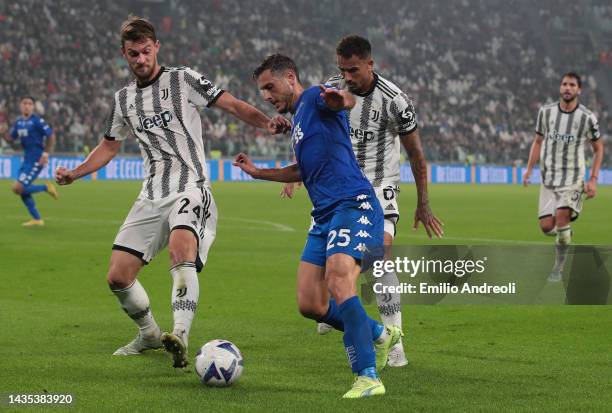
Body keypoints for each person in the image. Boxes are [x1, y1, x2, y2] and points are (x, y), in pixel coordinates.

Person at [55, 16, 288, 368]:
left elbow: (233, 104)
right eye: (133, 54)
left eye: (146, 51)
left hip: (190, 187)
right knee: (118, 276)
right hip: (151, 194)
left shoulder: (183, 79)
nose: (141, 59)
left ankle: (179, 334)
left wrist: (266, 122)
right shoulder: (123, 100)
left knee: (181, 247)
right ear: (124, 54)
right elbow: (109, 146)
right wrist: (75, 172)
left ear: (156, 48)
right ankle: (149, 334)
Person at [234, 53, 402, 398]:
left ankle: (368, 376)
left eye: (270, 86)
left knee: (339, 281)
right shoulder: (299, 123)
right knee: (311, 304)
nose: (266, 96)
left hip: (352, 205)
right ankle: (381, 334)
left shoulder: (313, 97)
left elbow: (342, 100)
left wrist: (342, 99)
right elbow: (301, 171)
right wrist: (259, 172)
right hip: (325, 215)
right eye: (262, 90)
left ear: (290, 77)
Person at [281, 35, 443, 366]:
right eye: (342, 70)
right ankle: (335, 311)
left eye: (353, 70)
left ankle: (394, 339)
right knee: (327, 271)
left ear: (370, 64)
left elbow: (416, 154)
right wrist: (298, 176)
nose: (348, 77)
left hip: (379, 184)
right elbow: (308, 132)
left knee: (377, 256)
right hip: (336, 188)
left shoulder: (395, 100)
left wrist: (423, 203)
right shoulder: (330, 91)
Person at [523, 72, 604, 281]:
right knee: (546, 227)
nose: (567, 88)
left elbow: (598, 148)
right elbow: (538, 141)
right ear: (560, 88)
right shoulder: (546, 112)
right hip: (549, 178)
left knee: (560, 219)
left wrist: (593, 179)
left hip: (573, 179)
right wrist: (529, 169)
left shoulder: (587, 117)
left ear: (579, 90)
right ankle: (565, 233)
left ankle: (557, 269)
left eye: (572, 85)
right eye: (564, 84)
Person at [5, 96, 59, 226]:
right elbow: (10, 139)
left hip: (37, 159)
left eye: (30, 103)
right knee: (20, 190)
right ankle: (37, 219)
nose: (27, 106)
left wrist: (45, 153)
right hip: (26, 160)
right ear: (20, 105)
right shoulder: (18, 122)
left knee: (18, 187)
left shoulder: (37, 121)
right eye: (25, 103)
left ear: (33, 107)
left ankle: (45, 187)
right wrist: (3, 133)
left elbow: (51, 136)